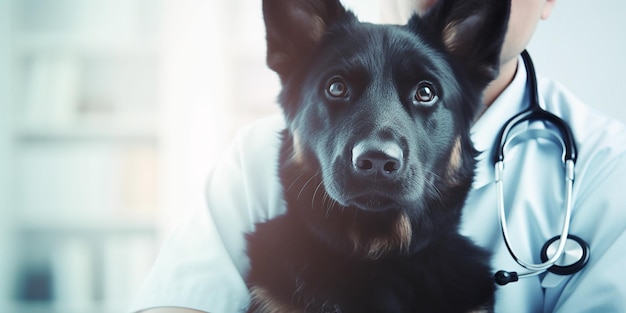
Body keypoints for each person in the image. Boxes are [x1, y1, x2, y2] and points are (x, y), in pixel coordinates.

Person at [130, 0, 626, 312]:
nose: (378, 145)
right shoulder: (256, 156)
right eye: (339, 86)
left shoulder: (609, 167)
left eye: (426, 92)